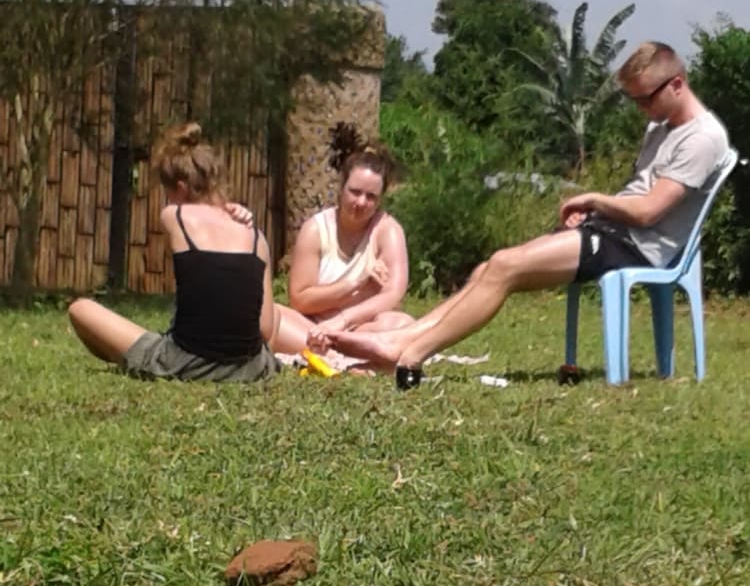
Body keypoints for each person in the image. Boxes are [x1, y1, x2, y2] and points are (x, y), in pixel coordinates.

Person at [319, 41, 731, 388]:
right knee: (488, 268)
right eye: (634, 99)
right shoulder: (662, 126)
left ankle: (411, 354)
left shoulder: (703, 138)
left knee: (504, 266)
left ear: (677, 84)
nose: (640, 108)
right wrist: (591, 214)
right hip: (609, 233)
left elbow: (648, 211)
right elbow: (637, 194)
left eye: (645, 98)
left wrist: (593, 199)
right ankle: (404, 338)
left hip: (635, 246)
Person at [68, 122, 280, 383]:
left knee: (80, 309)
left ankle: (130, 363)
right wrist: (228, 209)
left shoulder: (174, 216)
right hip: (251, 368)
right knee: (277, 311)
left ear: (180, 188)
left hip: (186, 363)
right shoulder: (257, 237)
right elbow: (266, 329)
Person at [267, 123, 413, 356]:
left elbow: (392, 295)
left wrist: (343, 321)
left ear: (381, 199)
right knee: (268, 312)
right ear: (341, 187)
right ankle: (341, 352)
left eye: (371, 197)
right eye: (355, 192)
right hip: (312, 328)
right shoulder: (315, 229)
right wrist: (354, 284)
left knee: (402, 324)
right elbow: (300, 300)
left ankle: (338, 350)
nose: (361, 202)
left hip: (363, 328)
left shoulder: (388, 231)